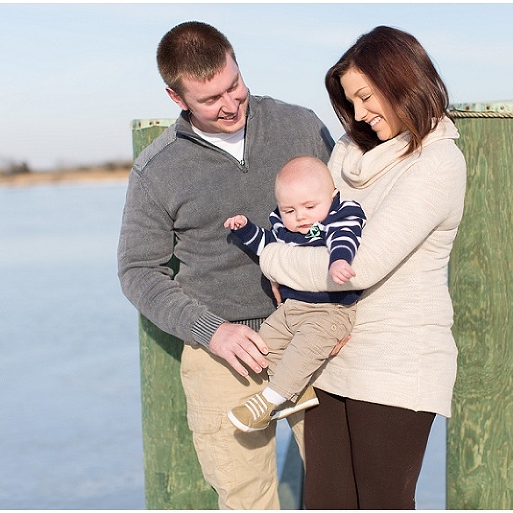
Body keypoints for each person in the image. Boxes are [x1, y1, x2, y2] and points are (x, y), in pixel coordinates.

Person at [117, 21, 334, 509]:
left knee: (337, 493)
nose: (231, 104)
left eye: (234, 85)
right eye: (211, 99)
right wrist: (212, 331)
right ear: (177, 99)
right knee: (246, 502)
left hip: (312, 335)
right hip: (223, 356)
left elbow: (351, 216)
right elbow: (138, 272)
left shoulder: (301, 125)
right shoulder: (157, 170)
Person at [258, 25, 467, 509]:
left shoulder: (438, 163)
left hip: (397, 361)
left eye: (366, 97)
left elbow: (358, 265)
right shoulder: (348, 153)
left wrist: (272, 259)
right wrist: (289, 260)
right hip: (331, 352)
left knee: (381, 502)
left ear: (402, 81)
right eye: (350, 103)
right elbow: (310, 229)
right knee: (325, 501)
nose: (360, 115)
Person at [223, 155, 366, 432]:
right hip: (291, 308)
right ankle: (297, 396)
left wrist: (339, 260)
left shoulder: (339, 216)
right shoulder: (287, 226)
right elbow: (268, 244)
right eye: (289, 210)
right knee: (266, 342)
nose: (300, 216)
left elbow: (344, 236)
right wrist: (246, 230)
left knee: (304, 349)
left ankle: (269, 400)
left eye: (309, 206)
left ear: (332, 196)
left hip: (330, 310)